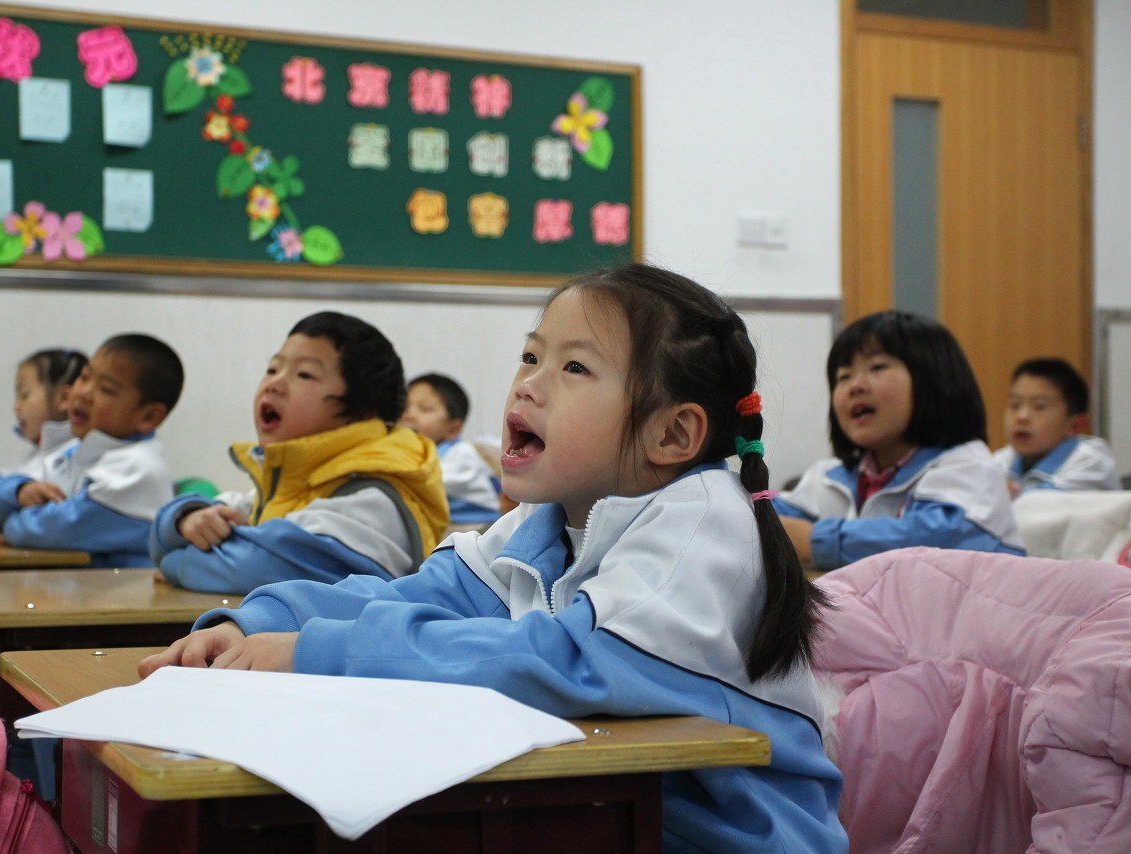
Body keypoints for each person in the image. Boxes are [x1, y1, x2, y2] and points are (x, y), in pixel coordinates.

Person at [141, 264, 849, 854]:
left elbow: (570, 659)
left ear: (673, 433)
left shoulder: (704, 520)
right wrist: (258, 621)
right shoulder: (544, 525)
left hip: (727, 839)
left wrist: (312, 650)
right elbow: (419, 592)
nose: (529, 384)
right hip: (601, 817)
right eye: (531, 355)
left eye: (574, 366)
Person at [150, 312, 449, 594]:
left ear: (361, 413)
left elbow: (255, 567)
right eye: (272, 368)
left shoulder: (371, 497)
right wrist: (184, 519)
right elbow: (205, 521)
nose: (274, 384)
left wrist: (172, 562)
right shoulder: (288, 486)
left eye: (304, 374)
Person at [774, 310, 1023, 570]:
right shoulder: (829, 477)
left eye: (877, 367)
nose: (855, 385)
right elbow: (773, 518)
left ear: (935, 380)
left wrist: (815, 541)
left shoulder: (970, 465)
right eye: (843, 376)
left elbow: (936, 539)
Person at [0, 333, 182, 567]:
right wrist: (19, 490)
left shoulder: (139, 467)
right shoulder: (73, 450)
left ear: (148, 417)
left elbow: (58, 530)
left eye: (106, 389)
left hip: (119, 601)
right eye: (84, 377)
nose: (83, 393)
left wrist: (11, 524)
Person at [994, 357, 1121, 496]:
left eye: (1039, 406)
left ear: (1075, 425)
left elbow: (1045, 507)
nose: (1021, 417)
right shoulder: (1002, 460)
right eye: (1014, 405)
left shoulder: (1092, 463)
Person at [400, 373, 501, 526]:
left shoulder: (462, 454)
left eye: (425, 409)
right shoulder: (409, 455)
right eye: (404, 406)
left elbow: (423, 484)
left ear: (453, 429)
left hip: (479, 530)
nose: (409, 415)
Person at [5, 348, 88, 478]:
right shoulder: (38, 453)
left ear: (64, 398)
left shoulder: (74, 457)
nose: (16, 407)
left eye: (24, 395)